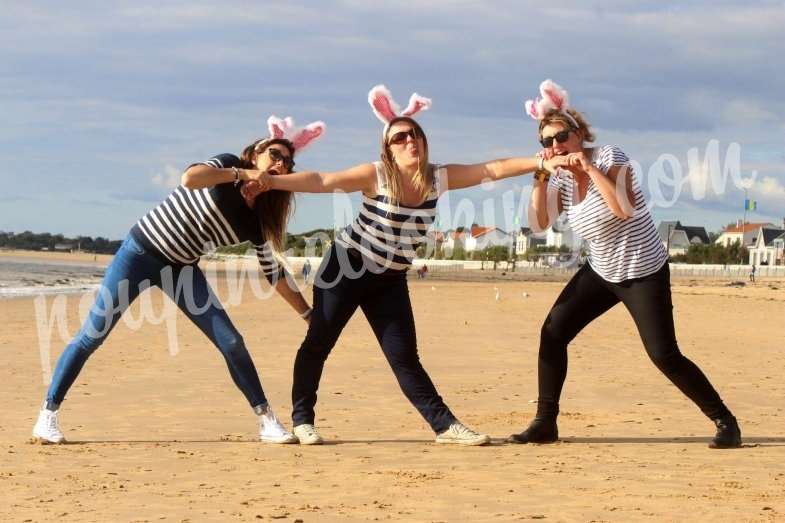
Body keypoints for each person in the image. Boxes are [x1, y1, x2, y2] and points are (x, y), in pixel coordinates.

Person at [259, 85, 542, 445]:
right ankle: (302, 420)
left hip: (390, 279)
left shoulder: (437, 178)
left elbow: (493, 168)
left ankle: (444, 426)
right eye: (400, 138)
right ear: (388, 150)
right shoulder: (376, 175)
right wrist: (270, 181)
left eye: (416, 135)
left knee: (404, 357)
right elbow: (322, 180)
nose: (411, 141)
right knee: (319, 343)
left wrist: (541, 161)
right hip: (346, 268)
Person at [32, 116, 326, 445]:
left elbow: (273, 272)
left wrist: (308, 315)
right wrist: (241, 174)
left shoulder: (255, 220)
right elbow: (190, 178)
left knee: (231, 341)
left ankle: (266, 420)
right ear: (255, 153)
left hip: (182, 270)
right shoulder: (227, 166)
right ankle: (48, 416)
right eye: (274, 154)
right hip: (138, 254)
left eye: (287, 161)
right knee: (93, 335)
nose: (280, 163)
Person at [509, 80, 742, 448]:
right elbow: (538, 224)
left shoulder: (609, 157)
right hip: (602, 270)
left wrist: (587, 167)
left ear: (579, 133)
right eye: (547, 142)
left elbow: (623, 208)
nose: (556, 146)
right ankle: (545, 423)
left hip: (643, 270)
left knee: (663, 354)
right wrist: (540, 175)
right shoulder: (560, 180)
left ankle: (725, 422)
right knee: (553, 332)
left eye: (561, 137)